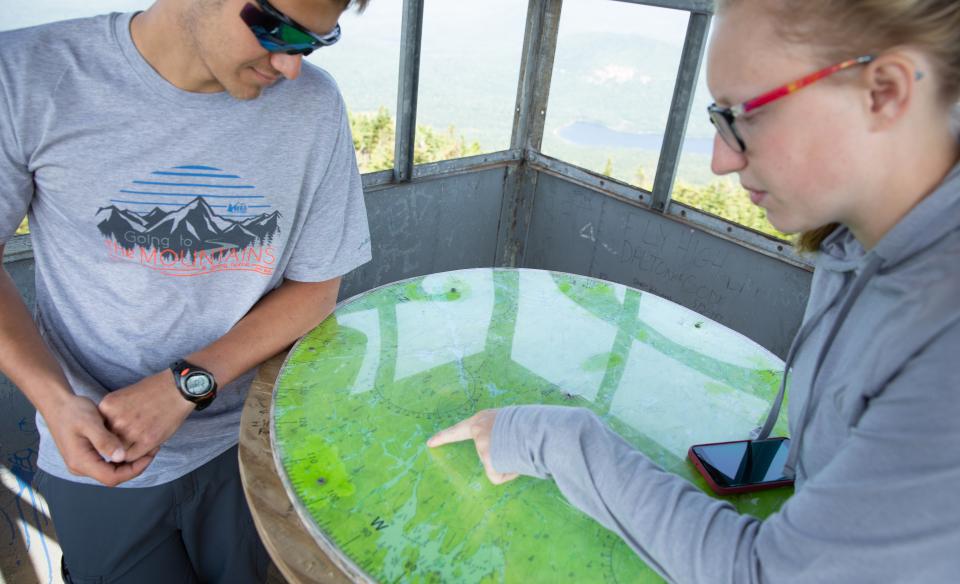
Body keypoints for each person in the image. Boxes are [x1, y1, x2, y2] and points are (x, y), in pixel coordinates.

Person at [428, 0, 960, 581]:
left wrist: (555, 438)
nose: (720, 160)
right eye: (717, 118)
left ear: (883, 91)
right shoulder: (854, 240)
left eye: (745, 116)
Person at [0, 0, 372, 581]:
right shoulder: (27, 75)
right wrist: (55, 400)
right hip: (96, 451)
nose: (291, 66)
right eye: (278, 30)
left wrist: (185, 385)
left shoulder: (313, 106)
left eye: (314, 43)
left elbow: (317, 287)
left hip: (247, 440)